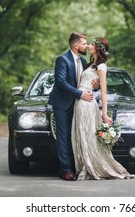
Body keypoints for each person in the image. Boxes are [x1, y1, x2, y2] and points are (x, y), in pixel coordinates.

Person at [71, 37, 135, 180]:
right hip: (79, 101)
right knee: (81, 133)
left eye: (92, 44)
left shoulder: (101, 67)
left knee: (87, 133)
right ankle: (83, 165)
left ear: (99, 48)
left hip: (87, 103)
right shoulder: (89, 65)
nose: (89, 46)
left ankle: (91, 166)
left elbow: (104, 91)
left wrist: (104, 114)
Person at [48, 33, 95, 181]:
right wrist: (80, 94)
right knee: (64, 136)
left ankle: (77, 166)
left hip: (78, 105)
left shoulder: (83, 60)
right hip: (62, 104)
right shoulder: (62, 59)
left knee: (76, 134)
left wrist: (96, 86)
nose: (86, 46)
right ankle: (66, 170)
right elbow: (61, 82)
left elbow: (86, 82)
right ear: (76, 45)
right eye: (84, 43)